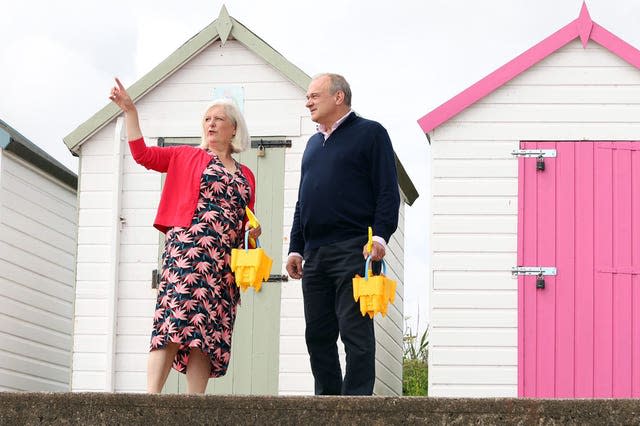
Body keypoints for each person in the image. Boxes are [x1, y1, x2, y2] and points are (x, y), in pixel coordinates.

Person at [109, 78, 261, 394]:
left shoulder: (247, 175)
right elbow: (143, 155)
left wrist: (253, 232)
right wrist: (130, 112)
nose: (211, 124)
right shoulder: (185, 156)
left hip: (224, 265)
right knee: (174, 321)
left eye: (219, 119)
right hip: (187, 254)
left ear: (234, 129)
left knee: (208, 332)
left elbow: (247, 222)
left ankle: (195, 404)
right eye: (207, 119)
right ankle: (152, 398)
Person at [286, 73, 400, 395]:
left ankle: (356, 407)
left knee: (355, 333)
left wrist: (379, 237)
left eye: (314, 95)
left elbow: (387, 191)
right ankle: (328, 404)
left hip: (356, 250)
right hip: (315, 255)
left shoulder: (370, 133)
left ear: (338, 97)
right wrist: (296, 248)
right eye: (307, 96)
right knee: (317, 335)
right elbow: (303, 200)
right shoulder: (311, 144)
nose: (307, 101)